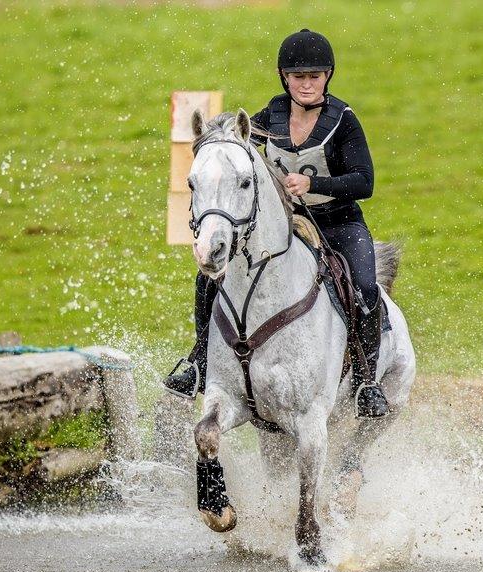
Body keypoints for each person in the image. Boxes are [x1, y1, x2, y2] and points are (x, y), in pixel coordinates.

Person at [163, 29, 390, 418]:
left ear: (328, 76)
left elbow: (364, 181)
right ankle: (200, 361)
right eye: (298, 76)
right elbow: (235, 145)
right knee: (207, 277)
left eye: (314, 76)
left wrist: (314, 183)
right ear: (284, 77)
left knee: (367, 286)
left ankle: (367, 381)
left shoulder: (344, 122)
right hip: (287, 225)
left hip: (339, 223)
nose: (306, 84)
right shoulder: (270, 116)